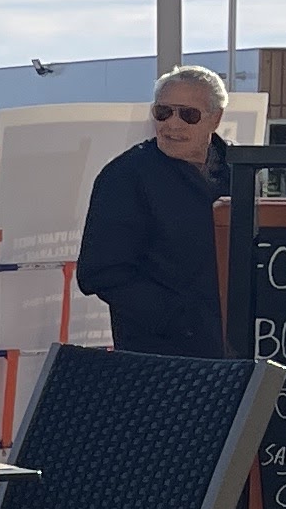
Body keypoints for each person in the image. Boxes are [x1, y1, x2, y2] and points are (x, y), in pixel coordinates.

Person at [77, 66, 232, 356]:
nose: (172, 124)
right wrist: (180, 320)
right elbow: (100, 272)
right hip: (157, 355)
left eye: (188, 114)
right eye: (163, 112)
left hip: (236, 349)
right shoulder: (125, 176)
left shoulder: (243, 171)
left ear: (216, 118)